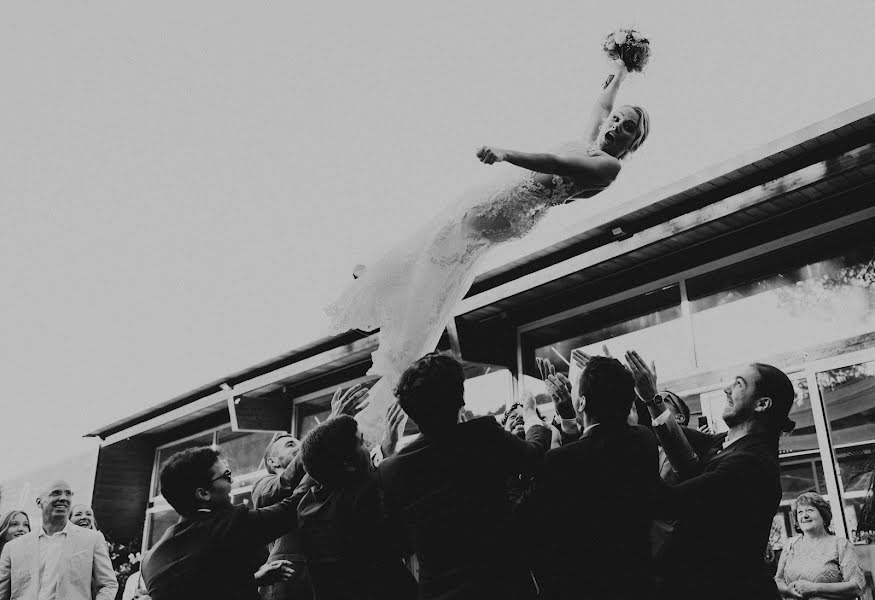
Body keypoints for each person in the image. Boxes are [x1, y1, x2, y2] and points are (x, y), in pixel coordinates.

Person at [326, 52, 650, 443]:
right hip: (503, 201)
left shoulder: (608, 168)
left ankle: (395, 311)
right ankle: (391, 288)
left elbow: (555, 162)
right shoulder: (590, 142)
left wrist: (505, 153)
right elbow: (602, 104)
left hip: (508, 209)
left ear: (634, 142)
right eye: (617, 120)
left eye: (627, 128)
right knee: (433, 247)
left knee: (438, 252)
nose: (616, 126)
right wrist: (620, 71)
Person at [378, 352, 552, 599]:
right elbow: (533, 455)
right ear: (459, 397)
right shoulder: (483, 436)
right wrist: (532, 416)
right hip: (500, 587)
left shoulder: (391, 470)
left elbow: (400, 543)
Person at [625, 350, 797, 600]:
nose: (727, 389)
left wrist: (626, 455)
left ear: (762, 404)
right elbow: (676, 437)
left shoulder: (750, 464)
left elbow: (667, 502)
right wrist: (645, 397)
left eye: (738, 384)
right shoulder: (725, 444)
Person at [532, 355, 659, 599]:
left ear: (581, 403)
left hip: (584, 585)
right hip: (637, 582)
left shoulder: (558, 460)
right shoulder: (644, 440)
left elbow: (537, 529)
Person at [251, 384, 370, 600]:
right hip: (290, 577)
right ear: (272, 461)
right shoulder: (263, 485)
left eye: (301, 443)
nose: (299, 447)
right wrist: (327, 431)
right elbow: (284, 486)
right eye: (290, 445)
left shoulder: (323, 480)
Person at [140, 447, 299, 600]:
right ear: (203, 494)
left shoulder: (150, 560)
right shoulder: (229, 526)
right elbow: (290, 512)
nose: (233, 481)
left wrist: (254, 579)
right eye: (227, 476)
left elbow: (205, 589)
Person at [297, 412, 416, 600]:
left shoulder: (307, 507)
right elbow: (404, 542)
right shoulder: (367, 495)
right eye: (361, 442)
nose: (369, 446)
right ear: (347, 464)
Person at [0, 480, 118, 600]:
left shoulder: (93, 539)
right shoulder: (13, 547)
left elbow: (108, 585)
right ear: (39, 502)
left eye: (68, 494)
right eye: (55, 493)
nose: (63, 498)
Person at [775, 492, 866, 599]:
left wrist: (814, 588)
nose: (804, 515)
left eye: (810, 510)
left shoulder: (840, 545)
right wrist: (787, 591)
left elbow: (857, 586)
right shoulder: (790, 545)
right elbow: (778, 580)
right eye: (800, 512)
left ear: (823, 515)